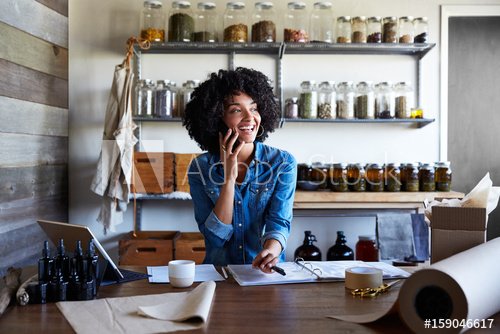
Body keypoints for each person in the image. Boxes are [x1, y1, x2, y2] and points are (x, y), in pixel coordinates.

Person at [183, 67, 297, 274]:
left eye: (254, 108)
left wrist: (272, 250)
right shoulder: (201, 167)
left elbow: (279, 222)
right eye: (236, 110)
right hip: (219, 274)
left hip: (265, 274)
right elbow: (216, 238)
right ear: (218, 117)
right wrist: (229, 179)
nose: (249, 117)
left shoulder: (282, 163)